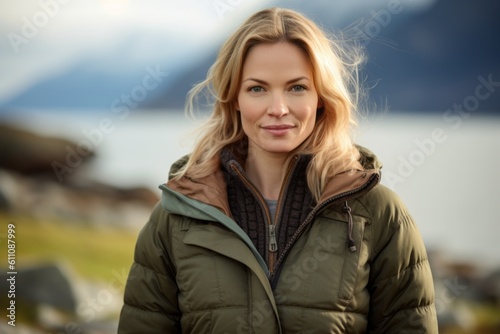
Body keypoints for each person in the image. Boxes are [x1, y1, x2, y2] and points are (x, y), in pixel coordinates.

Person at [118, 7, 438, 333]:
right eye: (257, 88)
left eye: (297, 87)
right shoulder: (176, 218)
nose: (278, 109)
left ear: (322, 98)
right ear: (234, 98)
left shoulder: (379, 212)